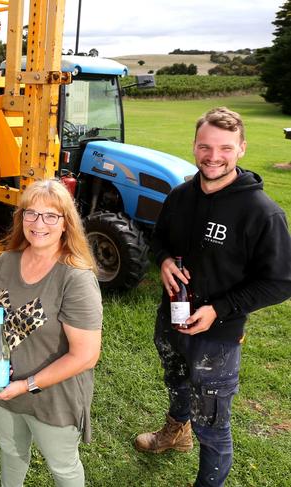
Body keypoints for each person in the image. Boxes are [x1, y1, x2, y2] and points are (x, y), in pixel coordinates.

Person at [134, 107, 291, 487]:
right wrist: (165, 260)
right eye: (205, 146)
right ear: (194, 146)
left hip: (217, 337)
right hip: (172, 316)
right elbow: (159, 241)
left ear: (241, 149)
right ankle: (176, 432)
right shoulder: (180, 195)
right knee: (176, 381)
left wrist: (218, 309)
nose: (213, 156)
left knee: (213, 423)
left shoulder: (261, 213)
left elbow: (281, 282)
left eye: (224, 148)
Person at [0, 179, 102, 487]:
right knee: (11, 451)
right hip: (3, 386)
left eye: (50, 216)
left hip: (52, 397)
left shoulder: (75, 278)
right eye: (30, 213)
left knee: (62, 467)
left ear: (65, 223)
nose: (38, 223)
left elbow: (85, 356)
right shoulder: (7, 261)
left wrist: (26, 385)